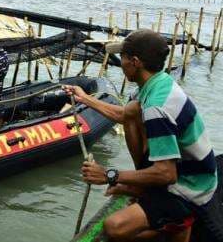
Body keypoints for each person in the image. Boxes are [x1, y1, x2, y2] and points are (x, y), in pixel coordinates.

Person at [63, 29, 218, 242]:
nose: (121, 63)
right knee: (131, 112)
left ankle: (178, 225)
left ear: (135, 62)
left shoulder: (156, 108)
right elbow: (124, 115)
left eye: (123, 58)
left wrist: (109, 174)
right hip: (187, 171)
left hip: (190, 188)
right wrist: (85, 99)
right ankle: (145, 188)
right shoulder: (157, 83)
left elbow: (166, 174)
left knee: (114, 227)